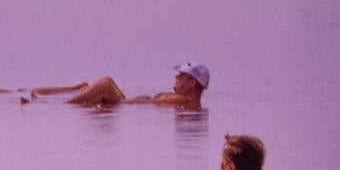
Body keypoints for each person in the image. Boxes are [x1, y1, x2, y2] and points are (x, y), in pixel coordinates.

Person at [27, 62, 209, 108]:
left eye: (180, 76)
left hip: (126, 105)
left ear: (192, 83)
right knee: (91, 88)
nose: (176, 78)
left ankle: (57, 105)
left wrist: (120, 104)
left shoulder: (182, 101)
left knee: (105, 83)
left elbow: (148, 105)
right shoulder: (183, 102)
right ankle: (44, 97)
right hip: (126, 103)